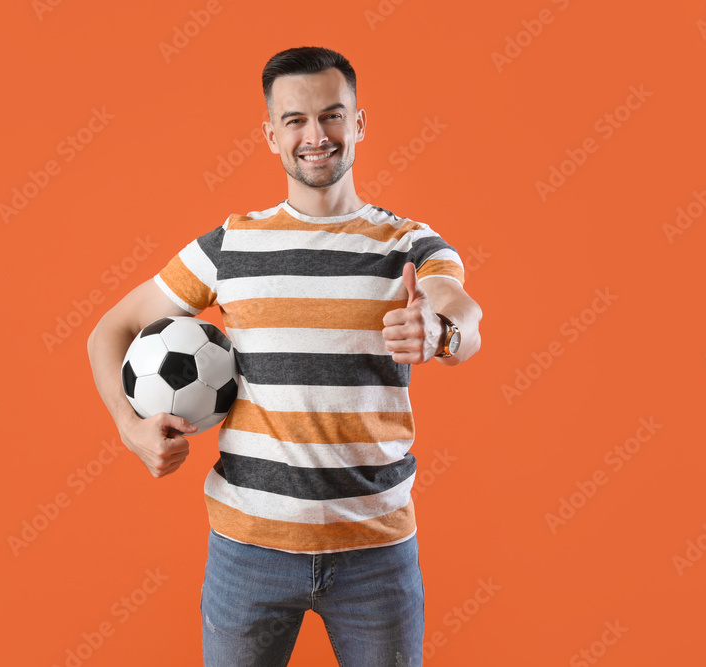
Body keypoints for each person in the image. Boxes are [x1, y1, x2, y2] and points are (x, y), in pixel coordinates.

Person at [87, 46, 482, 667]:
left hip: (375, 554)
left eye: (332, 115)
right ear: (271, 136)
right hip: (249, 553)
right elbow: (110, 329)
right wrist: (127, 424)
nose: (315, 135)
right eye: (295, 120)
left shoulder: (409, 245)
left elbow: (460, 308)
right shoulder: (230, 245)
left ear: (358, 123)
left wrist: (440, 331)